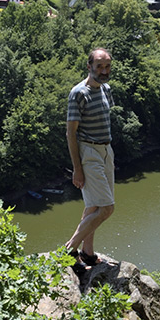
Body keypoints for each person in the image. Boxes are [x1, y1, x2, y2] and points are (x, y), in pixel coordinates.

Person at [63, 47, 115, 266]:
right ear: (89, 66)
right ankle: (69, 248)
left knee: (93, 206)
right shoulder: (78, 93)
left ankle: (88, 253)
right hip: (89, 151)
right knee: (106, 208)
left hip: (106, 150)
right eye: (99, 66)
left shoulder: (106, 89)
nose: (104, 71)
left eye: (107, 66)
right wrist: (77, 168)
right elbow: (70, 133)